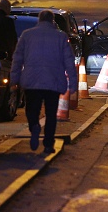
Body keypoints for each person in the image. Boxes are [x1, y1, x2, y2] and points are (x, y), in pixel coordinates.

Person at [10, 10, 78, 154]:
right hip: (53, 81)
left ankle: (34, 126)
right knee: (51, 114)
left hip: (32, 80)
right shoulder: (60, 37)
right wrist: (73, 83)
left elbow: (17, 59)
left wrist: (14, 79)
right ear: (52, 20)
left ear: (39, 20)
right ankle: (48, 144)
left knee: (31, 110)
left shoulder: (27, 35)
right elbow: (69, 61)